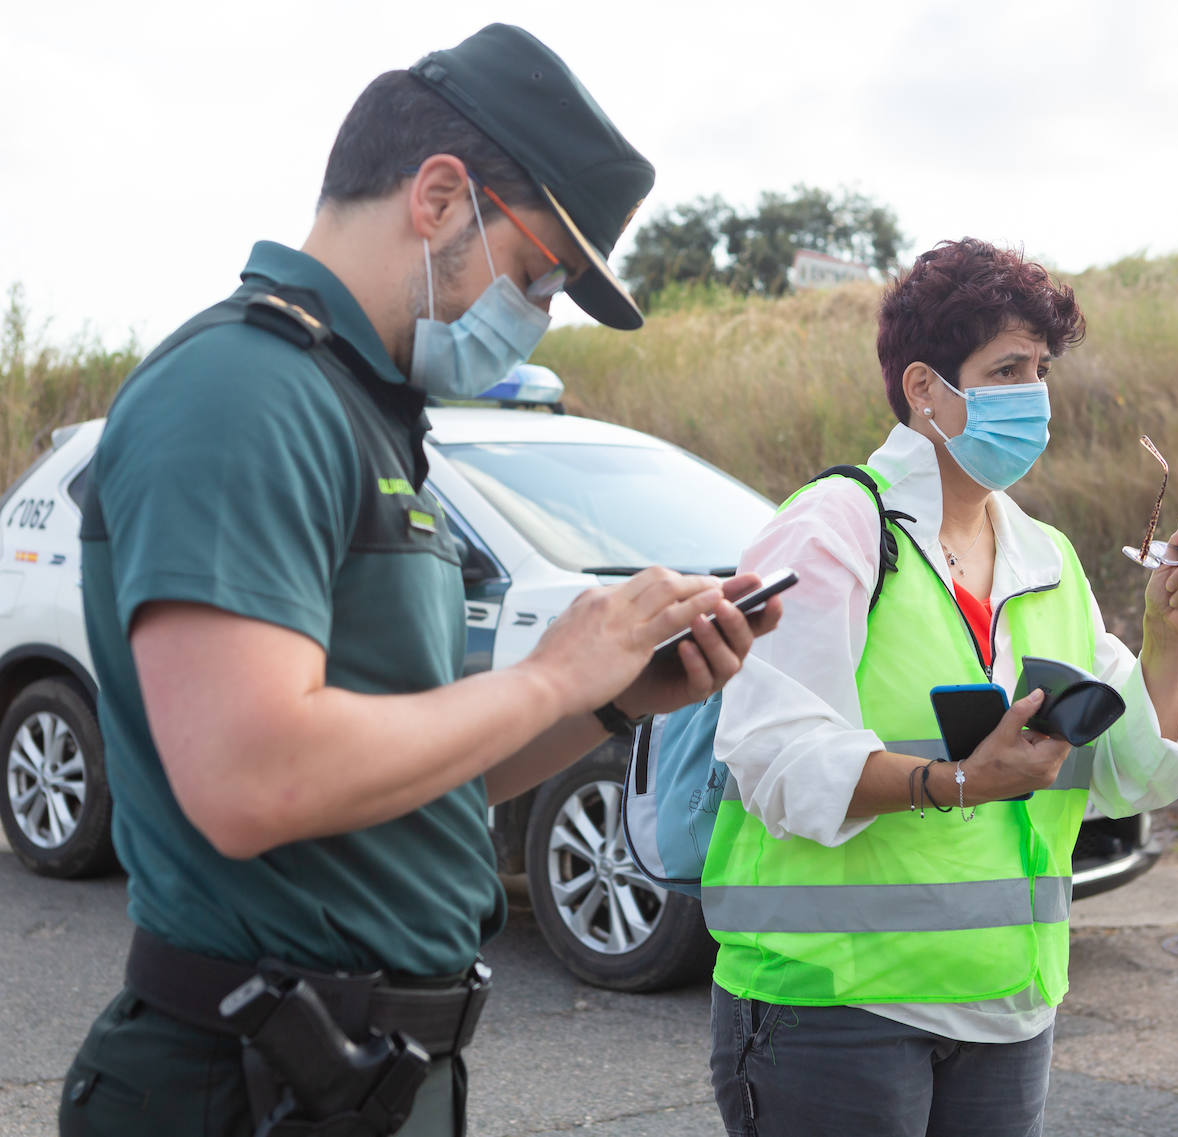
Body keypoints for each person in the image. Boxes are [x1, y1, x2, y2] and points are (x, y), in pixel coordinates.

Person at [61, 24, 780, 1137]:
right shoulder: (245, 394)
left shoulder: (362, 412)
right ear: (440, 197)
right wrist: (548, 678)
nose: (538, 311)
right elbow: (254, 779)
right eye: (539, 271)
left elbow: (409, 776)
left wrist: (613, 697)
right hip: (246, 1084)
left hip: (361, 1078)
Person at [704, 237, 1178, 1137]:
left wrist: (1167, 641)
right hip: (837, 1010)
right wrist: (953, 781)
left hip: (1007, 1012)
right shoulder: (835, 526)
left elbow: (1137, 773)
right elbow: (772, 755)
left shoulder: (1044, 556)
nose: (1034, 394)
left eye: (1041, 368)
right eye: (1007, 368)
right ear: (924, 389)